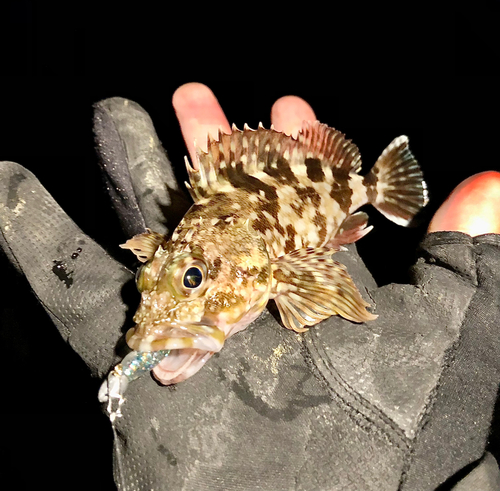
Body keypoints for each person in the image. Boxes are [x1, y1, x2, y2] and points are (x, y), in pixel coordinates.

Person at [0, 83, 499, 490]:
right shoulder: (175, 256)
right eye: (155, 282)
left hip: (334, 187)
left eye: (192, 280)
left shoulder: (280, 271)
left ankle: (372, 186)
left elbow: (322, 285)